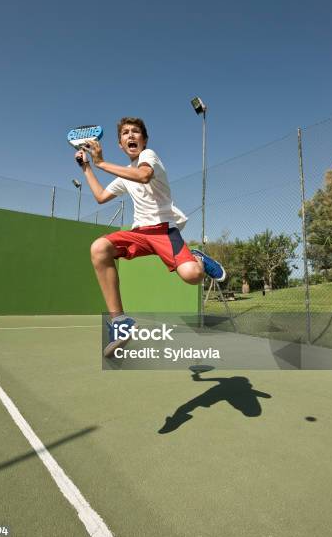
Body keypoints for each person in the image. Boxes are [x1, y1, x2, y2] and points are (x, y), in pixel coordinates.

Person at [75, 117, 226, 357]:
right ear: (120, 144)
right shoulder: (125, 174)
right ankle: (120, 323)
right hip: (140, 233)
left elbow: (144, 176)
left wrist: (101, 163)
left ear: (144, 140)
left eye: (136, 132)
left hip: (165, 230)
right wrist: (87, 168)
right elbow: (101, 196)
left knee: (193, 276)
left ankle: (196, 259)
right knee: (99, 248)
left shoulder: (149, 157)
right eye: (125, 133)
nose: (131, 135)